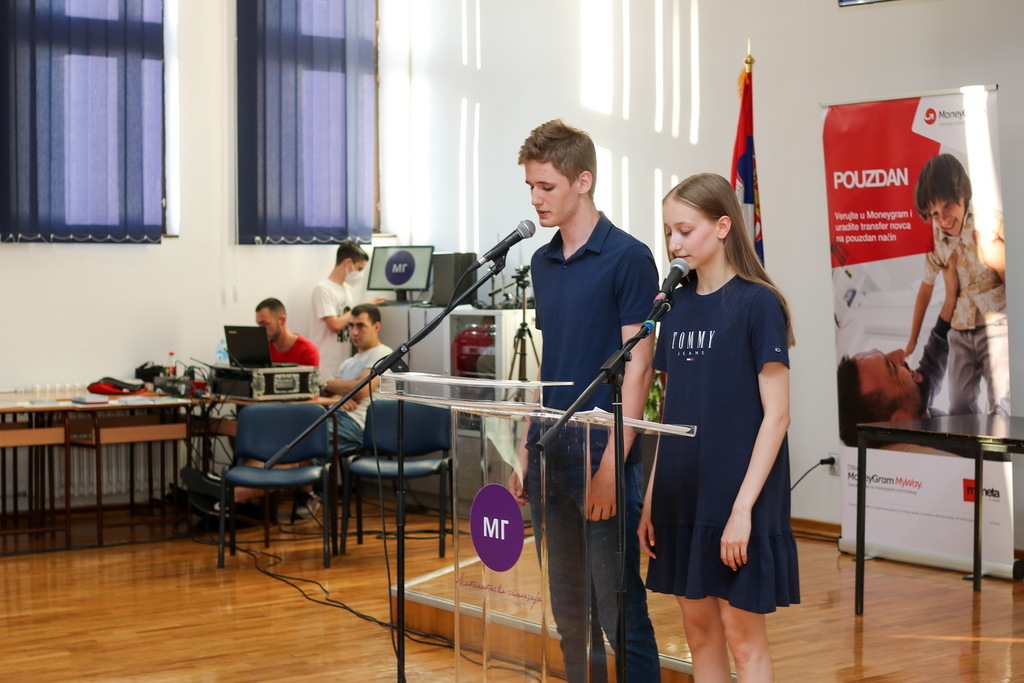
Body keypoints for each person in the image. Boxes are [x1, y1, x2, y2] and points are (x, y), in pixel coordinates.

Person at [507, 119, 661, 681]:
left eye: (546, 186)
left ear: (583, 181)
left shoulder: (628, 257)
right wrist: (525, 448)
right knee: (570, 614)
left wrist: (612, 464)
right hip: (552, 449)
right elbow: (551, 363)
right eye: (531, 186)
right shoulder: (542, 262)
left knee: (619, 611)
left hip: (603, 450)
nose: (535, 198)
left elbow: (639, 368)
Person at [638, 173, 799, 683]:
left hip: (738, 495)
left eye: (685, 230)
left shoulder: (758, 303)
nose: (674, 243)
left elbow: (778, 415)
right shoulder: (674, 306)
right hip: (682, 491)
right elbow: (671, 411)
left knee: (742, 637)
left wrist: (743, 510)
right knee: (699, 631)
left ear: (723, 226)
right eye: (669, 232)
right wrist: (652, 497)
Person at [904, 153, 1008, 416]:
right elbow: (925, 289)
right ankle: (971, 441)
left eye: (948, 206)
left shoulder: (989, 221)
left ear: (963, 195)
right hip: (960, 332)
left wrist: (998, 259)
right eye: (934, 213)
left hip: (995, 324)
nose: (943, 220)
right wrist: (913, 339)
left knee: (1001, 400)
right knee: (959, 407)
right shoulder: (936, 244)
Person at [837, 253, 959, 447]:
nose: (901, 353)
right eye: (892, 368)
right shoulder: (962, 451)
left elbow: (932, 363)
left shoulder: (915, 413)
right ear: (900, 421)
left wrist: (951, 298)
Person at [311, 240, 385, 381]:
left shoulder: (346, 291)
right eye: (359, 269)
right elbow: (335, 325)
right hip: (325, 364)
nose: (360, 273)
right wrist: (362, 306)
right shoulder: (323, 289)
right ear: (348, 262)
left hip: (342, 363)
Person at [322, 304, 393, 451]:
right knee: (295, 436)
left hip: (359, 422)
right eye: (351, 326)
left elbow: (361, 389)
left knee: (305, 442)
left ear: (376, 327)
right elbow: (335, 395)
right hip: (336, 416)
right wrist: (338, 398)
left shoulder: (383, 353)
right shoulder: (347, 363)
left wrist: (328, 385)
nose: (354, 332)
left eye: (361, 326)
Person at [255, 297, 320, 367]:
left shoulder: (306, 351)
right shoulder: (262, 350)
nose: (261, 329)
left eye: (265, 324)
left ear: (282, 320)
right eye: (259, 324)